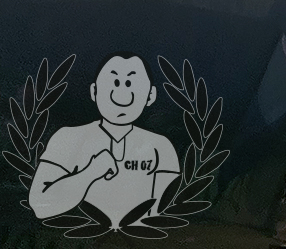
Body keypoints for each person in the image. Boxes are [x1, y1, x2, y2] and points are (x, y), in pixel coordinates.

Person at [29, 56, 179, 230]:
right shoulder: (68, 137)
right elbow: (40, 204)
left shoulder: (161, 147)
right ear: (94, 91)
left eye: (130, 83)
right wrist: (90, 173)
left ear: (150, 95)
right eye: (114, 82)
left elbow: (166, 218)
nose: (121, 94)